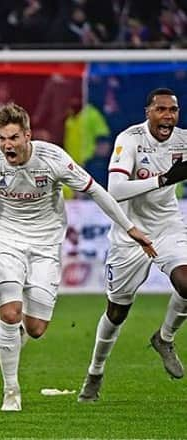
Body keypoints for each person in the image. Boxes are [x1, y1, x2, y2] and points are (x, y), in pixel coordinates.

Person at [0, 103, 156, 412]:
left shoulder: (52, 159)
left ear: (28, 135)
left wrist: (130, 227)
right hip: (4, 238)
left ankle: (14, 337)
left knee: (36, 328)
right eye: (1, 138)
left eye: (13, 138)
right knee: (10, 312)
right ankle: (11, 392)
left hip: (45, 243)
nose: (7, 145)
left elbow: (96, 192)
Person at [78, 88, 187, 402]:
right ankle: (95, 372)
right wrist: (164, 179)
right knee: (117, 312)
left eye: (173, 110)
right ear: (148, 112)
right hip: (129, 233)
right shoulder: (130, 139)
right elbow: (116, 188)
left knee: (186, 281)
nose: (168, 116)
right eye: (161, 109)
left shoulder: (182, 141)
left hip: (167, 226)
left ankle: (164, 338)